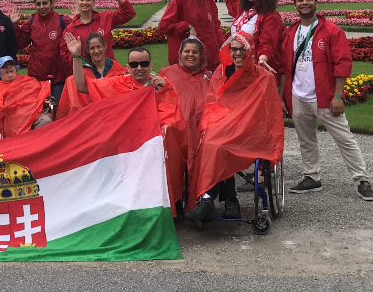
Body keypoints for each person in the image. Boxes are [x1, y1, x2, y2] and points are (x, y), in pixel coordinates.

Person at [65, 34, 187, 216]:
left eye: (144, 64)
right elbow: (82, 86)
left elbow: (173, 118)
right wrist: (76, 56)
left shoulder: (161, 85)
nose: (139, 68)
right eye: (135, 65)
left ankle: (168, 204)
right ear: (127, 67)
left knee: (166, 140)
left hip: (153, 141)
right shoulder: (119, 83)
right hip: (127, 142)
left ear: (151, 66)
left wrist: (165, 89)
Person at [280, 0, 373, 201]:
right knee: (306, 140)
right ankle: (311, 177)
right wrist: (283, 97)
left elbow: (342, 64)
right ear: (294, 4)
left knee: (344, 138)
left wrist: (338, 96)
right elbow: (285, 68)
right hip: (298, 96)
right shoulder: (290, 32)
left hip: (323, 96)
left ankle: (362, 179)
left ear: (316, 2)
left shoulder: (332, 30)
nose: (304, 3)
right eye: (300, 0)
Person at [185, 32, 284, 222]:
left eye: (242, 49)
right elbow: (213, 103)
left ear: (250, 51)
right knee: (208, 143)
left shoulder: (264, 77)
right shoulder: (221, 73)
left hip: (250, 130)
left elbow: (269, 114)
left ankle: (209, 199)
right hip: (224, 124)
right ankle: (224, 201)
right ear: (228, 51)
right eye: (234, 49)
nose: (238, 53)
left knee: (218, 146)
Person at [158, 37, 213, 173]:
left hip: (203, 128)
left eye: (195, 52)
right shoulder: (167, 73)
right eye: (187, 51)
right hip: (177, 128)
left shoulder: (208, 76)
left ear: (201, 55)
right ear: (180, 54)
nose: (190, 55)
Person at [10, 0, 72, 104]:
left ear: (51, 4)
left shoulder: (62, 21)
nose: (42, 7)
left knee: (58, 109)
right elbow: (20, 43)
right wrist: (15, 26)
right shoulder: (32, 22)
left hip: (58, 76)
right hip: (36, 76)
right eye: (38, 4)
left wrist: (76, 21)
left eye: (45, 3)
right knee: (38, 109)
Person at [159, 0, 226, 70]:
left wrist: (223, 50)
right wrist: (185, 26)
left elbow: (216, 29)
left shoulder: (209, 0)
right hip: (187, 64)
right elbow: (163, 26)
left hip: (210, 63)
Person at [59, 0, 134, 76]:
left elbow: (129, 13)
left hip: (110, 71)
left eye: (88, 0)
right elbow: (65, 54)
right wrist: (82, 63)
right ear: (77, 2)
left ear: (93, 2)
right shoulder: (71, 29)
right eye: (81, 0)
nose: (84, 2)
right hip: (87, 73)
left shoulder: (105, 17)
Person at [223, 0, 284, 76]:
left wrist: (262, 59)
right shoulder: (244, 10)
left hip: (254, 68)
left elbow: (268, 43)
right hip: (237, 64)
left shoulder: (270, 16)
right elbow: (232, 5)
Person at [56, 32, 126, 119]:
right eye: (92, 48)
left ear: (105, 47)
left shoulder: (118, 69)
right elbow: (79, 88)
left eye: (99, 47)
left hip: (115, 116)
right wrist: (76, 55)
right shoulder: (81, 75)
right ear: (88, 51)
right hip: (89, 118)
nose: (96, 51)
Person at [0, 56, 52, 142]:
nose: (8, 67)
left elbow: (42, 94)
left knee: (46, 121)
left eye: (11, 64)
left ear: (15, 68)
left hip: (35, 117)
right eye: (4, 66)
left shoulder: (29, 81)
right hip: (10, 122)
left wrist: (43, 100)